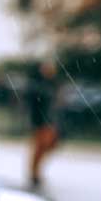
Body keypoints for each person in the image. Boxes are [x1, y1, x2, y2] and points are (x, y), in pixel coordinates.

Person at [26, 57, 62, 188]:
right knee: (40, 147)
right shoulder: (38, 85)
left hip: (50, 121)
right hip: (41, 121)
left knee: (48, 146)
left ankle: (35, 172)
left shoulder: (53, 84)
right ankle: (34, 173)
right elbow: (35, 104)